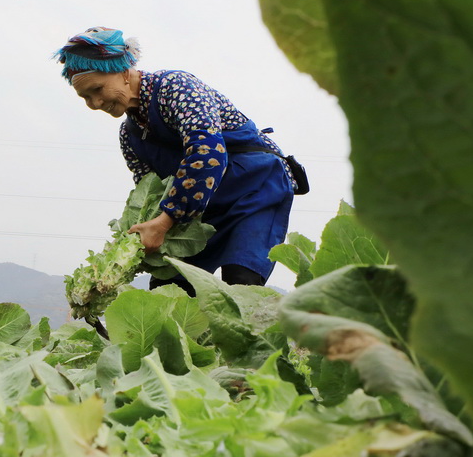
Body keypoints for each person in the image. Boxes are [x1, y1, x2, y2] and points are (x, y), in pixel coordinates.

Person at [54, 26, 305, 293]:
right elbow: (151, 192)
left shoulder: (176, 87)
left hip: (254, 188)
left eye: (97, 89)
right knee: (169, 291)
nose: (95, 103)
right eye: (85, 97)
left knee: (242, 281)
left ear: (124, 72)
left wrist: (163, 222)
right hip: (199, 210)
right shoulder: (130, 135)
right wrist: (139, 244)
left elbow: (207, 153)